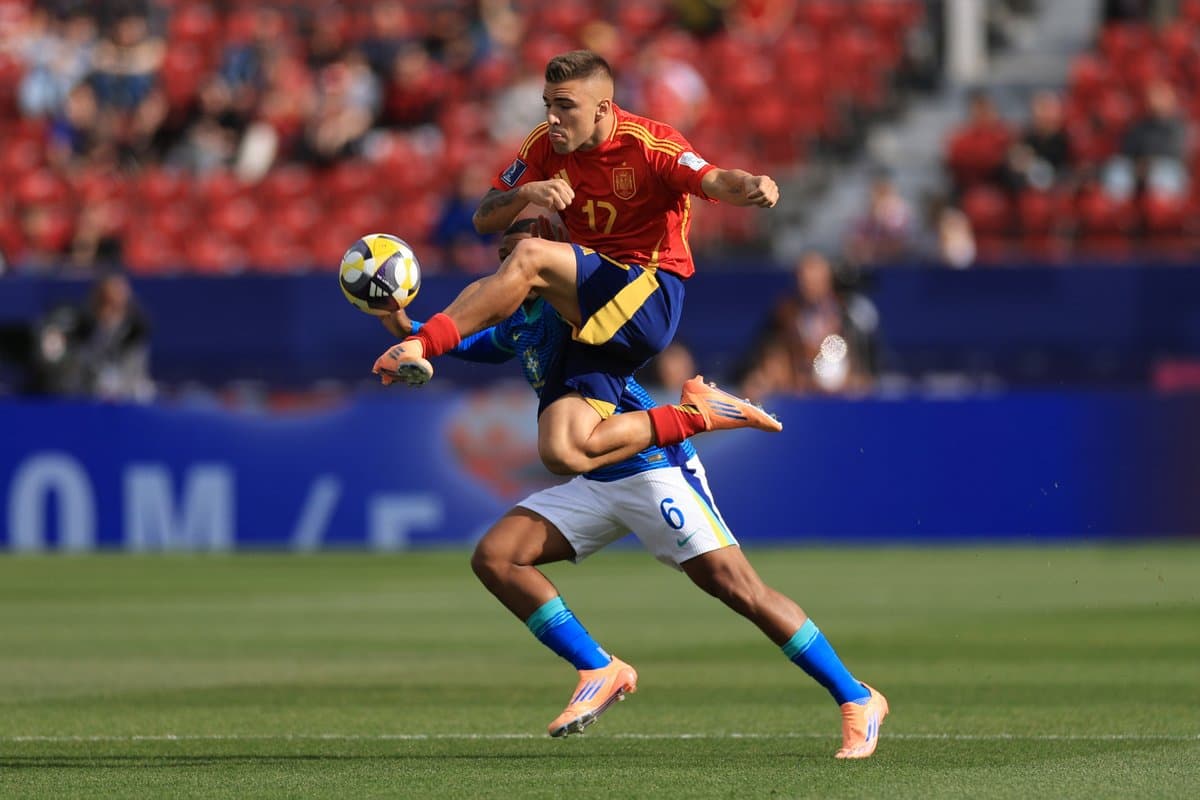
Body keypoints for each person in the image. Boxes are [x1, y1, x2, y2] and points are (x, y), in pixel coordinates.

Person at [380, 218, 889, 758]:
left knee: (739, 589)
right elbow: (475, 341)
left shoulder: (571, 305)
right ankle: (598, 667)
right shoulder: (520, 319)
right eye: (504, 256)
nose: (507, 265)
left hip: (650, 466)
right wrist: (407, 328)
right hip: (596, 475)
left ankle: (856, 697)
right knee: (497, 557)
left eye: (518, 253)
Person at [372, 49, 781, 477]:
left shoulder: (649, 144)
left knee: (530, 258)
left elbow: (715, 178)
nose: (552, 117)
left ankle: (424, 346)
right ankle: (695, 414)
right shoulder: (543, 147)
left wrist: (753, 184)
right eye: (548, 104)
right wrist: (527, 193)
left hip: (648, 292)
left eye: (565, 106)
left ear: (602, 108)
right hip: (593, 317)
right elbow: (484, 218)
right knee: (562, 450)